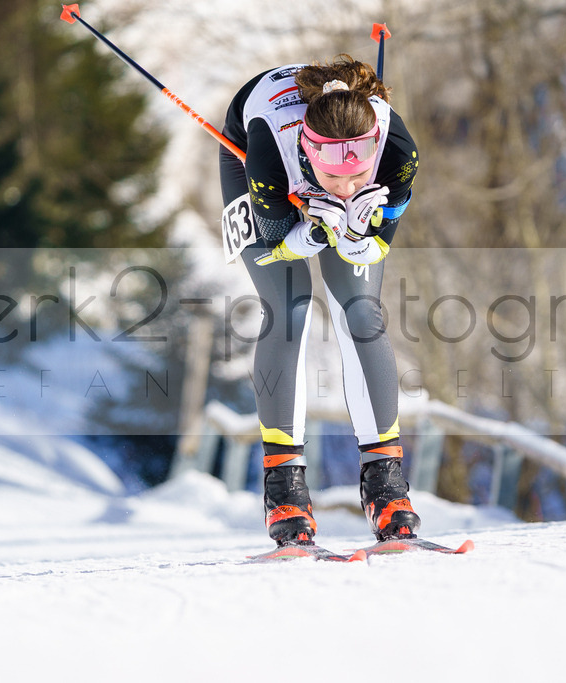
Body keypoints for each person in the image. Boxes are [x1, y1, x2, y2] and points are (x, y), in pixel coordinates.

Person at [219, 55, 421, 546]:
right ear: (309, 155)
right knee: (288, 305)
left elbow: (377, 237)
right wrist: (309, 232)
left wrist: (356, 237)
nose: (348, 188)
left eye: (358, 178)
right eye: (334, 177)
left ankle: (386, 484)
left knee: (360, 307)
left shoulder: (397, 152)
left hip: (327, 145)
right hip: (250, 149)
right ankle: (284, 488)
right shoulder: (272, 150)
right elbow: (274, 242)